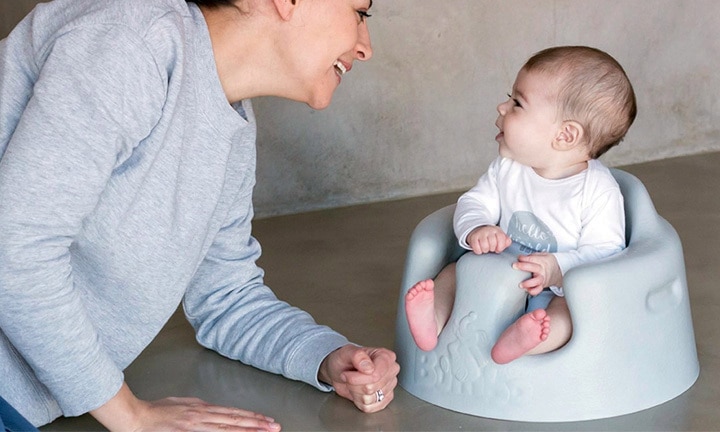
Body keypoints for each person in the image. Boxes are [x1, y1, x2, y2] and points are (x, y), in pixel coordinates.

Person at [0, 0, 400, 430]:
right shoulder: (129, 43)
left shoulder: (232, 128)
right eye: (361, 12)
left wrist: (326, 357)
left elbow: (226, 298)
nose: (365, 47)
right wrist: (129, 415)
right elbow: (15, 250)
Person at [405, 46, 637, 365]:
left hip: (553, 289)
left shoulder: (597, 191)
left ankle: (526, 342)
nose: (502, 107)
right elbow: (474, 202)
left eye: (517, 103)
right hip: (496, 271)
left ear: (565, 135)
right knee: (451, 273)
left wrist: (557, 269)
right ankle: (432, 320)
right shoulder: (508, 168)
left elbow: (606, 253)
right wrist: (477, 227)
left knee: (568, 317)